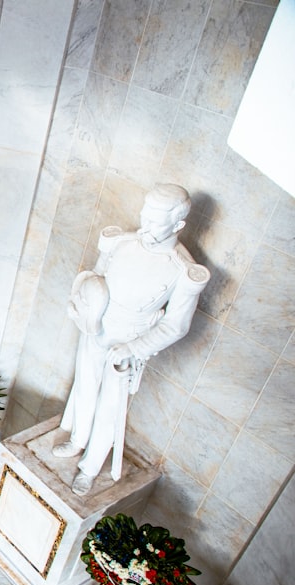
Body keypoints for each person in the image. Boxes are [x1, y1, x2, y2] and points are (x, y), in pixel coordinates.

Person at [52, 184, 210, 495]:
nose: (145, 226)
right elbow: (94, 279)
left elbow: (176, 326)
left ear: (178, 225)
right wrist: (84, 310)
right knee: (84, 386)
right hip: (96, 327)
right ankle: (77, 440)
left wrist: (134, 348)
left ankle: (90, 467)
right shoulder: (122, 243)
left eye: (155, 222)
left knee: (111, 405)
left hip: (130, 340)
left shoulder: (182, 270)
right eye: (144, 217)